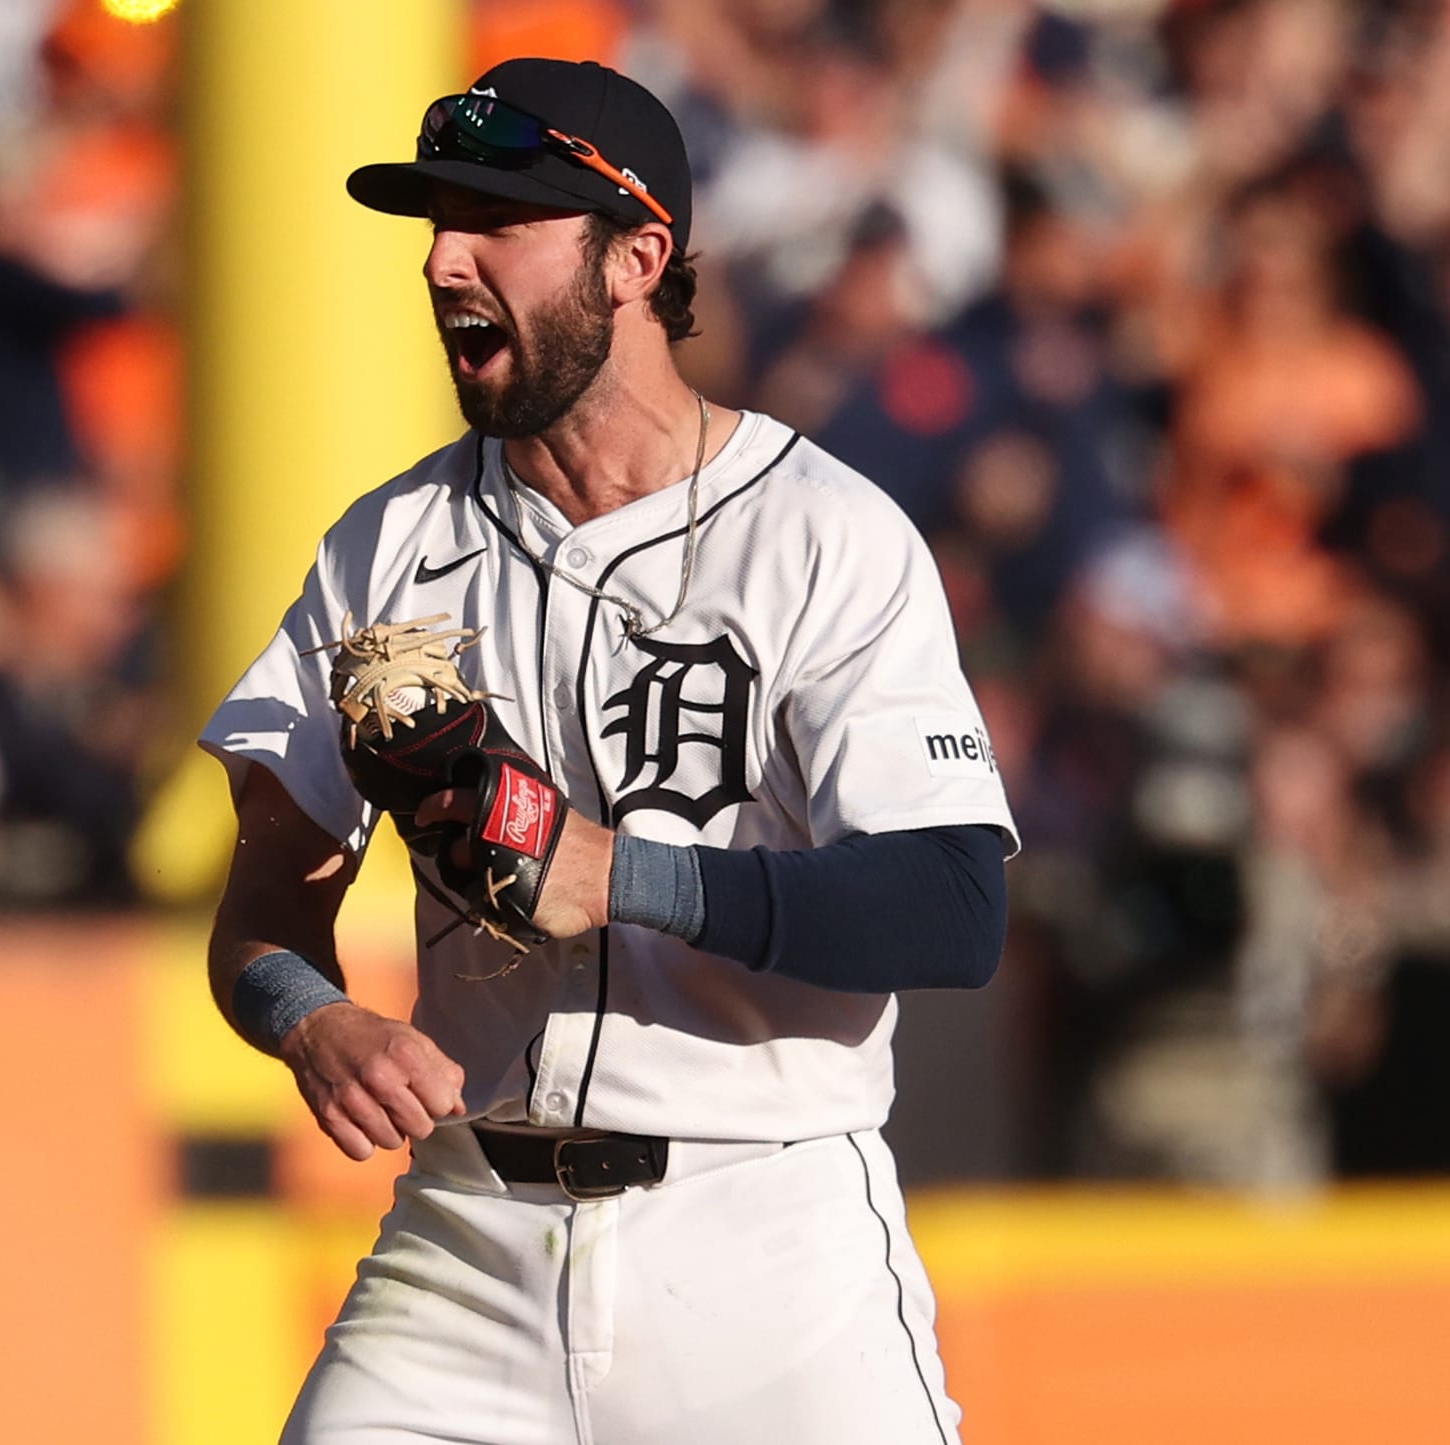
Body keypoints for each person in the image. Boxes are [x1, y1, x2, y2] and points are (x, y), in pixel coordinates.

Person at [201, 60, 1014, 1445]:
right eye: (438, 223)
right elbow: (263, 917)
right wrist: (310, 1019)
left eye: (495, 220)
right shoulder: (387, 546)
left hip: (763, 1236)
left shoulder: (822, 532)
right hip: (465, 1246)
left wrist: (623, 873)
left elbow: (953, 903)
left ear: (637, 257)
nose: (444, 260)